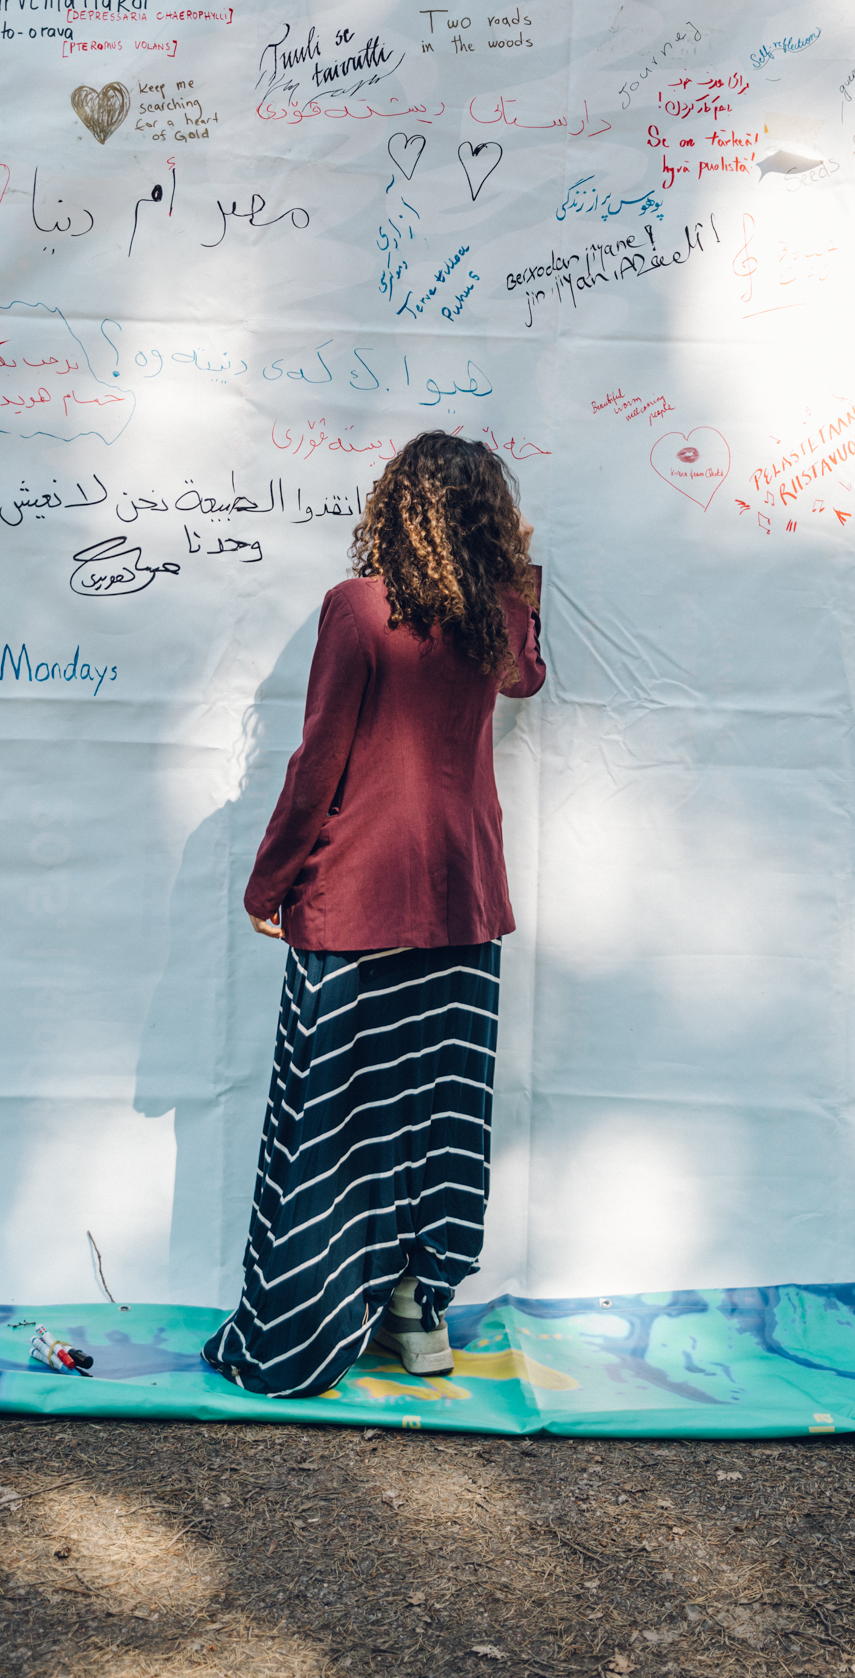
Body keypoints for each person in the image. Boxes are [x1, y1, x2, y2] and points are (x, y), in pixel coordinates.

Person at [202, 431, 545, 1399]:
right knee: (436, 1119)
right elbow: (527, 677)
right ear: (484, 516)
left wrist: (268, 884)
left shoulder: (358, 606)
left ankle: (301, 1332)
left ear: (392, 506)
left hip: (359, 905)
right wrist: (514, 566)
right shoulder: (494, 615)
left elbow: (320, 761)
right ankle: (418, 1311)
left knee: (334, 1124)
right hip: (462, 903)